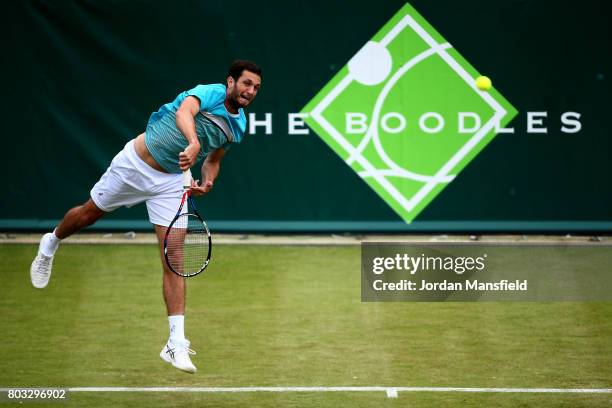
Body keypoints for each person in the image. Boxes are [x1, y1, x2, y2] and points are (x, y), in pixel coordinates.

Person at [29, 60, 262, 374]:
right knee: (88, 215)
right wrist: (193, 142)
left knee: (174, 259)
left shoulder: (238, 126)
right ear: (231, 81)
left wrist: (208, 180)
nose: (250, 91)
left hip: (170, 182)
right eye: (246, 83)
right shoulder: (210, 93)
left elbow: (214, 158)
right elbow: (184, 113)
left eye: (256, 87)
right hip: (135, 164)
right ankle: (51, 242)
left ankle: (175, 343)